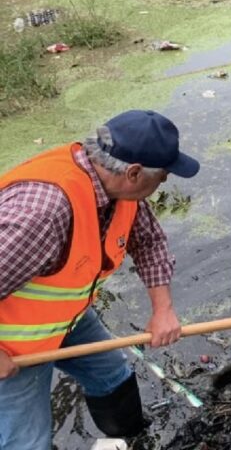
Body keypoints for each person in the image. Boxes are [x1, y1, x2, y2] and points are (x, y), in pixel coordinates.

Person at [0, 110, 200, 449]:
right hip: (13, 344)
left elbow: (149, 243)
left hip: (67, 318)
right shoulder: (43, 213)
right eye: (164, 176)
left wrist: (163, 309)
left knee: (111, 374)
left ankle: (133, 439)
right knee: (27, 440)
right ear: (135, 172)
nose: (163, 182)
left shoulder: (118, 187)